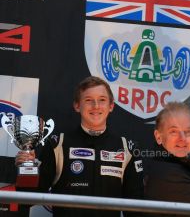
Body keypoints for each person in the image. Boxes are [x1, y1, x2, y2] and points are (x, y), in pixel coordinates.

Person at [15, 76, 144, 217]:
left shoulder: (127, 148)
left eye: (102, 100)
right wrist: (26, 169)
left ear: (111, 106)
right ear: (77, 106)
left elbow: (135, 209)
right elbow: (27, 198)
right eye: (88, 100)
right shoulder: (57, 144)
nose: (96, 106)